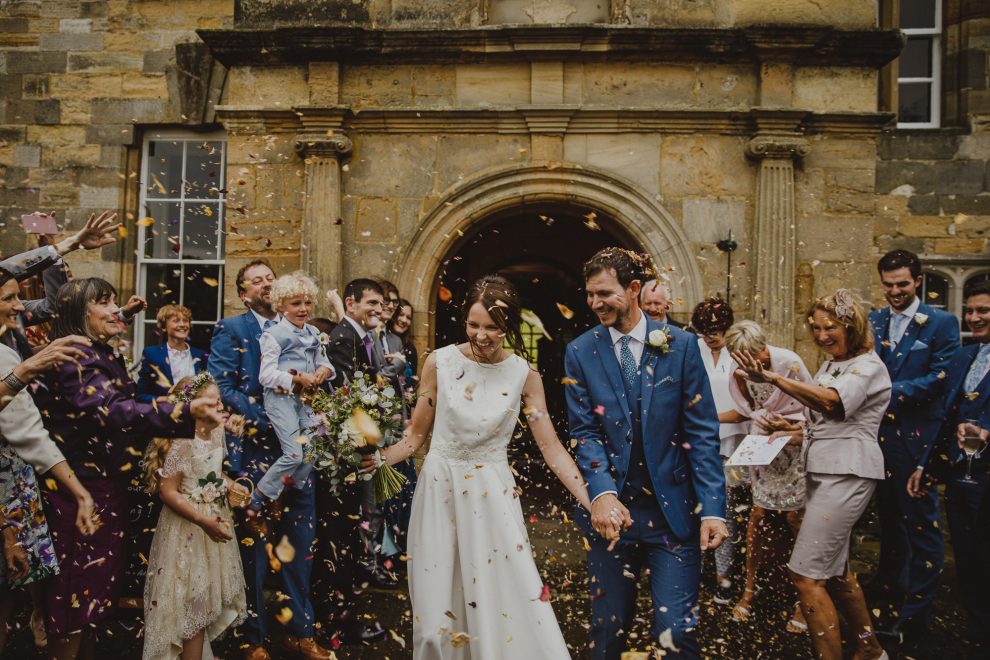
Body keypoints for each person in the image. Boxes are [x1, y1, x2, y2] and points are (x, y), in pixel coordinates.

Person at [370, 274, 591, 659]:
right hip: (440, 491)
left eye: (493, 327)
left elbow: (551, 447)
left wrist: (591, 499)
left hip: (493, 497)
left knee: (505, 604)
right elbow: (414, 439)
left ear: (509, 326)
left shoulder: (525, 375)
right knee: (436, 619)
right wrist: (369, 460)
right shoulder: (438, 363)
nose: (482, 334)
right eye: (474, 325)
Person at [30, 278, 218, 660]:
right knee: (75, 593)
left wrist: (120, 315)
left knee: (97, 591)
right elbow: (110, 410)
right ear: (79, 313)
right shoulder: (73, 353)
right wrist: (181, 411)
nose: (116, 308)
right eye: (105, 303)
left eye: (116, 301)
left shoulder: (97, 350)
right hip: (80, 489)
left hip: (105, 483)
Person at [565, 248, 727, 659]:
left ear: (634, 289)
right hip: (611, 520)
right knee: (607, 632)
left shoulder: (683, 346)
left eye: (605, 293)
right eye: (589, 294)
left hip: (674, 517)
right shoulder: (580, 351)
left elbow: (702, 432)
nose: (595, 303)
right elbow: (585, 432)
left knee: (676, 633)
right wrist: (601, 494)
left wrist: (712, 508)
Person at [734, 288, 889, 660]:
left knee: (805, 575)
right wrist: (782, 432)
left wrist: (773, 379)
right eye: (816, 328)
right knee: (837, 573)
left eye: (830, 327)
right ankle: (869, 648)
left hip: (847, 472)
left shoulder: (868, 367)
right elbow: (819, 427)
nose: (821, 336)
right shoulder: (830, 365)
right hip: (821, 471)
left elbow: (832, 403)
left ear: (851, 326)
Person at [207, 259, 333, 660]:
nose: (264, 283)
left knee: (299, 545)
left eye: (269, 278)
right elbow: (222, 386)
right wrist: (268, 420)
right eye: (255, 280)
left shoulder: (305, 331)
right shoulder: (233, 330)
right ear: (245, 293)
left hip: (300, 457)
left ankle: (299, 631)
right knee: (255, 551)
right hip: (256, 455)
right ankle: (254, 638)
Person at [0, 272, 98, 653]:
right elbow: (30, 434)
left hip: (14, 487)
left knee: (6, 597)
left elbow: (30, 432)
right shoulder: (8, 358)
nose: (19, 306)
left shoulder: (8, 350)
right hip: (6, 489)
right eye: (9, 298)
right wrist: (22, 372)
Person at [867, 249, 958, 641]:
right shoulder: (875, 320)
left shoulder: (942, 322)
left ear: (917, 281)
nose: (895, 291)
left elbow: (942, 377)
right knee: (888, 523)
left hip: (917, 440)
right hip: (877, 440)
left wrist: (885, 391)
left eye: (902, 284)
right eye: (888, 285)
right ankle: (889, 593)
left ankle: (917, 612)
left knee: (921, 525)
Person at [141, 374, 249, 660]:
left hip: (214, 521)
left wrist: (230, 485)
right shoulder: (181, 442)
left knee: (204, 601)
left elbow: (212, 474)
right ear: (194, 407)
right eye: (213, 403)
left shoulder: (216, 433)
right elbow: (168, 492)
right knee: (191, 604)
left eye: (220, 402)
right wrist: (202, 520)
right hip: (187, 528)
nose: (221, 408)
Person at [721, 320, 812, 634]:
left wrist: (787, 428)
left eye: (752, 356)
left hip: (795, 446)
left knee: (794, 520)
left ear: (763, 348)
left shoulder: (790, 363)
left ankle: (804, 597)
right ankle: (749, 589)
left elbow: (815, 410)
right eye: (738, 357)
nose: (747, 363)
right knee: (757, 517)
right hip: (764, 448)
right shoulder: (740, 372)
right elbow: (748, 410)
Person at [318, 278, 388, 645]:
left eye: (382, 303)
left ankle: (343, 619)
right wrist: (366, 450)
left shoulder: (360, 336)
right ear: (352, 303)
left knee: (352, 539)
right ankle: (338, 623)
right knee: (342, 541)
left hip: (357, 453)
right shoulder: (344, 338)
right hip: (346, 459)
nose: (379, 308)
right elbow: (346, 400)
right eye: (372, 302)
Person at [247, 272, 333, 537]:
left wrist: (322, 372)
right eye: (296, 303)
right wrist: (297, 379)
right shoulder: (273, 335)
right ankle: (258, 498)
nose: (303, 309)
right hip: (281, 399)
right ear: (281, 306)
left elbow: (326, 363)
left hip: (306, 400)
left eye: (307, 303)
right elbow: (265, 376)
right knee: (294, 453)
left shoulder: (315, 333)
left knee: (313, 450)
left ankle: (281, 491)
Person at [933, 280, 990, 658]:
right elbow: (943, 414)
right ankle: (977, 632)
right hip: (961, 475)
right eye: (969, 311)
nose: (973, 318)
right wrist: (927, 467)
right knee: (968, 558)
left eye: (983, 311)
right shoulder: (964, 356)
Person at [691, 298, 747, 606]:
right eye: (706, 330)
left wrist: (703, 415)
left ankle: (725, 576)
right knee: (697, 510)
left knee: (728, 514)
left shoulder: (737, 352)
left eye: (717, 329)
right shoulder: (693, 349)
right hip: (699, 443)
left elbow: (743, 408)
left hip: (733, 442)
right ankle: (696, 573)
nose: (712, 336)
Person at [136, 304, 207, 403]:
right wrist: (167, 399)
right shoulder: (151, 354)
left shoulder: (201, 355)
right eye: (176, 321)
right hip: (164, 415)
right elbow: (140, 396)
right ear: (164, 327)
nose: (182, 324)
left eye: (185, 320)